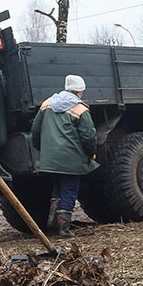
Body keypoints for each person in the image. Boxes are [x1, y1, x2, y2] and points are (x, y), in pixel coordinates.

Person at [31, 74, 99, 237]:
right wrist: (91, 154)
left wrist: (42, 150)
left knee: (57, 188)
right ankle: (64, 228)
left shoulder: (47, 104)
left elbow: (35, 131)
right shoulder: (80, 109)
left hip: (52, 159)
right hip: (71, 159)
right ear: (80, 91)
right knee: (69, 190)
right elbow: (88, 137)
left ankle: (52, 221)